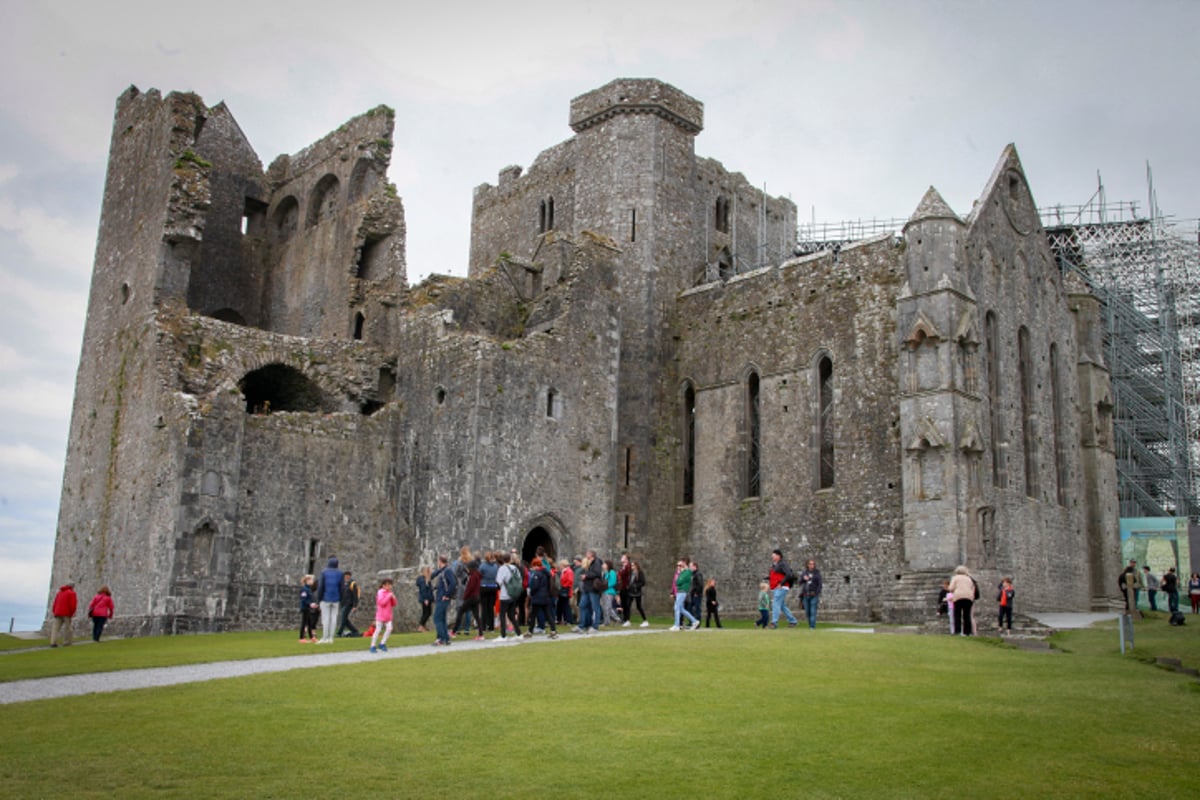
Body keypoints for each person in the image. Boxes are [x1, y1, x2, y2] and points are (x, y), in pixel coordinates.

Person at [525, 557, 559, 638]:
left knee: (533, 614)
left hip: (538, 597)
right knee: (548, 614)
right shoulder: (546, 573)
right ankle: (553, 630)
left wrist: (531, 593)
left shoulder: (537, 574)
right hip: (546, 596)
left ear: (536, 565)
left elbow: (535, 586)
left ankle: (530, 631)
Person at [452, 560, 485, 640]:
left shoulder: (473, 577)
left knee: (460, 612)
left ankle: (454, 631)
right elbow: (470, 575)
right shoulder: (477, 575)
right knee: (477, 616)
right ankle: (481, 634)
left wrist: (465, 596)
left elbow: (470, 588)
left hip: (471, 597)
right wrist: (466, 572)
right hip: (476, 597)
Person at [314, 556, 344, 643]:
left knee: (325, 619)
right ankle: (331, 638)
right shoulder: (340, 573)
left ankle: (324, 637)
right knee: (333, 619)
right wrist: (341, 598)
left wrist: (318, 599)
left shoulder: (324, 572)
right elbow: (342, 588)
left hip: (325, 598)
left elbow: (320, 587)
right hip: (336, 598)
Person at [767, 549, 799, 628]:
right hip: (776, 587)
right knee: (782, 605)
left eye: (773, 555)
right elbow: (775, 575)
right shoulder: (775, 565)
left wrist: (781, 583)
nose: (772, 556)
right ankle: (793, 621)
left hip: (781, 587)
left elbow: (789, 574)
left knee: (775, 603)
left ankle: (774, 623)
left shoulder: (783, 563)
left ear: (778, 556)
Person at [575, 550, 603, 634]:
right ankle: (582, 625)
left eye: (587, 553)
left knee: (595, 607)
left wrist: (586, 576)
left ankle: (595, 626)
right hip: (587, 588)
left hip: (593, 588)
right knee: (582, 605)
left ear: (591, 554)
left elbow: (597, 573)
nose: (586, 555)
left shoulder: (597, 562)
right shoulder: (589, 562)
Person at [432, 554, 456, 646]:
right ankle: (444, 638)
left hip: (443, 597)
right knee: (442, 618)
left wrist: (447, 594)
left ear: (440, 561)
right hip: (441, 596)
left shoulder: (447, 571)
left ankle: (442, 638)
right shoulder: (443, 571)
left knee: (437, 618)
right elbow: (433, 575)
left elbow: (453, 583)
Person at [497, 552, 523, 639]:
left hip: (505, 594)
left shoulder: (502, 568)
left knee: (502, 615)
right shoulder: (515, 568)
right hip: (513, 594)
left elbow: (499, 581)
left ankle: (503, 635)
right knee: (511, 615)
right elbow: (519, 579)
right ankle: (519, 633)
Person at [671, 559, 701, 630]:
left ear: (684, 565)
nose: (678, 567)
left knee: (676, 607)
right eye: (677, 565)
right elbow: (677, 582)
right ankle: (695, 621)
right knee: (681, 609)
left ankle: (677, 625)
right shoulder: (683, 572)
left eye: (680, 565)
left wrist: (679, 580)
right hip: (679, 591)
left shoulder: (687, 572)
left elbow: (678, 582)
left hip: (682, 591)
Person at [370, 579, 397, 653]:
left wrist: (393, 598)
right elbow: (381, 603)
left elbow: (393, 604)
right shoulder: (380, 592)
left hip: (388, 615)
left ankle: (382, 643)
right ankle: (372, 645)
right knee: (378, 630)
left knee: (389, 629)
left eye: (390, 585)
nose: (389, 587)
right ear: (383, 585)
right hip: (381, 615)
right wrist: (389, 596)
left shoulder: (389, 593)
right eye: (387, 585)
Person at [948, 566, 976, 636]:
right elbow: (973, 588)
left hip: (958, 597)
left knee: (957, 614)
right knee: (967, 615)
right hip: (969, 597)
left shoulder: (955, 578)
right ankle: (967, 632)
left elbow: (951, 588)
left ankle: (957, 631)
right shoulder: (969, 579)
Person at [49, 581, 78, 647]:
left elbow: (55, 603)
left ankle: (53, 642)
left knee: (55, 628)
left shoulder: (59, 593)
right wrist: (72, 613)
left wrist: (54, 611)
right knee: (67, 628)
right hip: (66, 613)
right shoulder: (72, 593)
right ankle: (67, 642)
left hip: (57, 612)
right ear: (72, 587)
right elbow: (73, 605)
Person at [478, 551, 500, 633]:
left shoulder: (482, 566)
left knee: (484, 607)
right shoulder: (495, 566)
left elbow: (479, 575)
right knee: (491, 607)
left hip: (484, 587)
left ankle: (483, 626)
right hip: (493, 587)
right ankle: (491, 626)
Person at [798, 559, 823, 629]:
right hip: (806, 595)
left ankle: (812, 627)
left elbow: (820, 584)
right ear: (807, 565)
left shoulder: (817, 573)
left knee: (813, 611)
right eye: (810, 564)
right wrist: (803, 579)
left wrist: (816, 593)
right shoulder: (804, 573)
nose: (812, 565)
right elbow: (799, 582)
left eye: (813, 564)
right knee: (807, 612)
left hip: (814, 595)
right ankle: (810, 625)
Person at [337, 570, 361, 638]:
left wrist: (355, 605)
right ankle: (355, 631)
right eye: (345, 576)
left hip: (349, 603)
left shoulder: (353, 584)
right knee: (344, 619)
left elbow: (355, 595)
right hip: (343, 603)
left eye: (348, 576)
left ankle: (339, 632)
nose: (347, 578)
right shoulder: (343, 584)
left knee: (343, 618)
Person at [627, 559, 648, 627]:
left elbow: (643, 582)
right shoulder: (631, 573)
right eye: (631, 565)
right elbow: (630, 581)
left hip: (637, 592)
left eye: (633, 565)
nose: (632, 567)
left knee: (639, 606)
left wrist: (636, 586)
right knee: (628, 605)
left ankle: (645, 620)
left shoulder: (640, 573)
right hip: (631, 591)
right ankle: (628, 620)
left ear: (636, 566)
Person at [299, 575, 319, 643]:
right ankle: (301, 638)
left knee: (310, 623)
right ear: (307, 580)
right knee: (304, 623)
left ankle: (312, 637)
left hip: (309, 608)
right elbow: (303, 599)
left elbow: (310, 598)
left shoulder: (309, 589)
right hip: (305, 608)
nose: (312, 581)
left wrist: (313, 604)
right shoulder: (304, 589)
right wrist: (310, 604)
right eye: (311, 580)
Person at [556, 559, 575, 625]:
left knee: (565, 605)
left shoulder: (568, 571)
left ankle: (568, 619)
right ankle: (562, 619)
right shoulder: (564, 571)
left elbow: (570, 581)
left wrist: (563, 585)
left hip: (565, 590)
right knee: (561, 605)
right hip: (564, 589)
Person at [416, 566, 433, 632]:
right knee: (427, 613)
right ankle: (421, 626)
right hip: (426, 599)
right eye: (429, 571)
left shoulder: (426, 579)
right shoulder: (423, 580)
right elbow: (423, 590)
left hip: (427, 598)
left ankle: (422, 626)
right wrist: (426, 599)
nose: (430, 572)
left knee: (426, 613)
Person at [617, 554, 633, 626]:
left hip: (626, 588)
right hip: (622, 587)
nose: (621, 558)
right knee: (623, 604)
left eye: (623, 557)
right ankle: (624, 619)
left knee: (626, 604)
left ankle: (627, 619)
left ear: (626, 559)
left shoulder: (628, 566)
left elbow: (622, 574)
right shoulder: (623, 566)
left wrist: (619, 573)